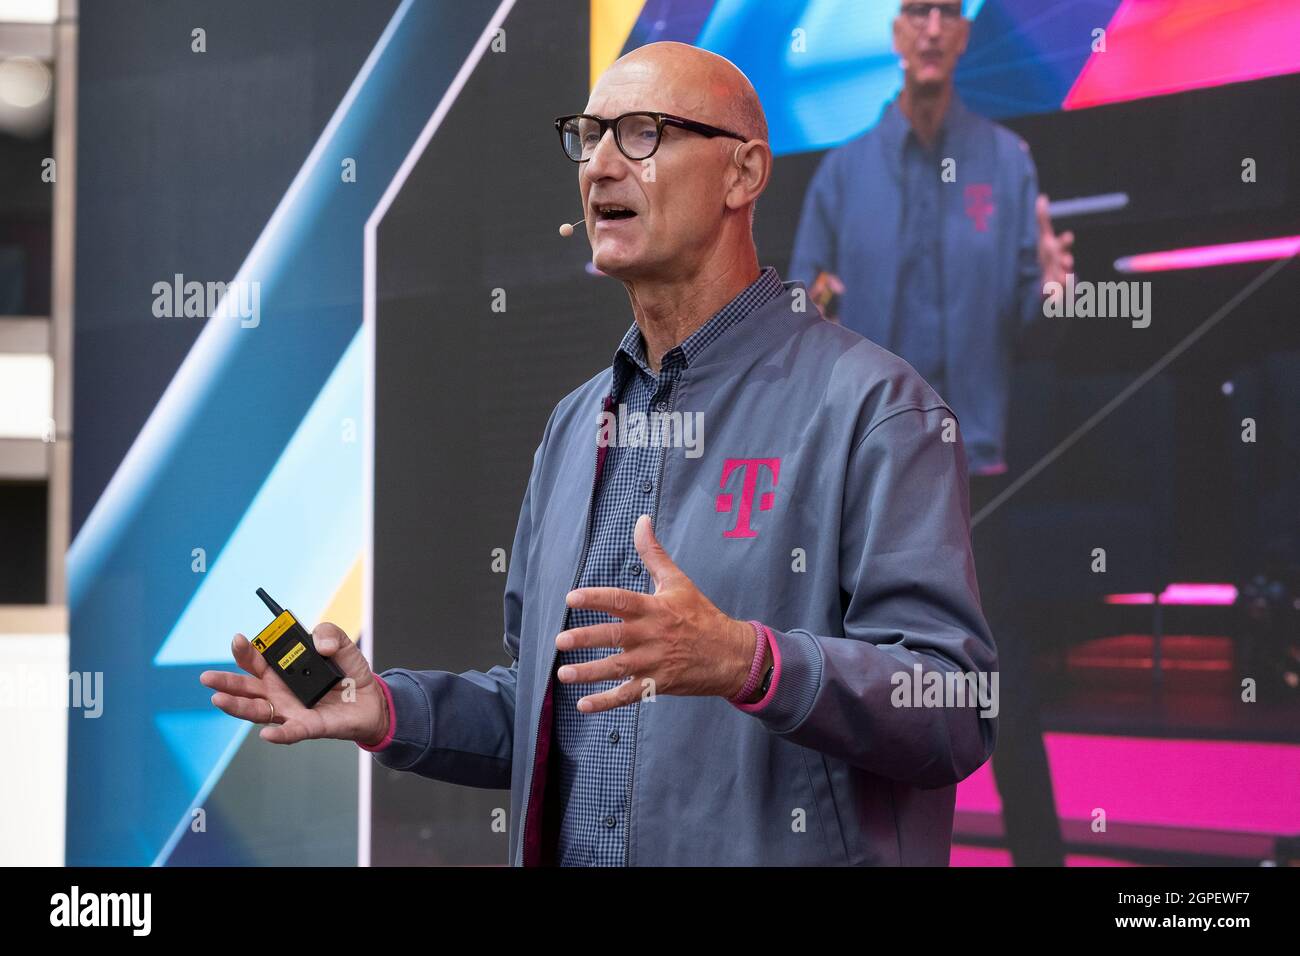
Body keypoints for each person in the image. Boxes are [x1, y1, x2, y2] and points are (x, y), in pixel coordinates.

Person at [202, 40, 996, 866]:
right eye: (589, 135)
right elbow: (545, 713)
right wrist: (386, 709)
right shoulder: (576, 425)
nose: (601, 165)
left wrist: (747, 662)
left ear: (744, 174)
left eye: (644, 132)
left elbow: (954, 709)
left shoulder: (875, 409)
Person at [789, 0, 1073, 865]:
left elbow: (1036, 322)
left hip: (977, 476)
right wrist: (814, 309)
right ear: (895, 33)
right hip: (867, 483)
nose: (932, 27)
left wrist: (1059, 295)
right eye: (916, 10)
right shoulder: (843, 174)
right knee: (872, 696)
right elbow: (799, 317)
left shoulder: (1006, 162)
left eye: (948, 11)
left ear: (963, 32)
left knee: (1005, 692)